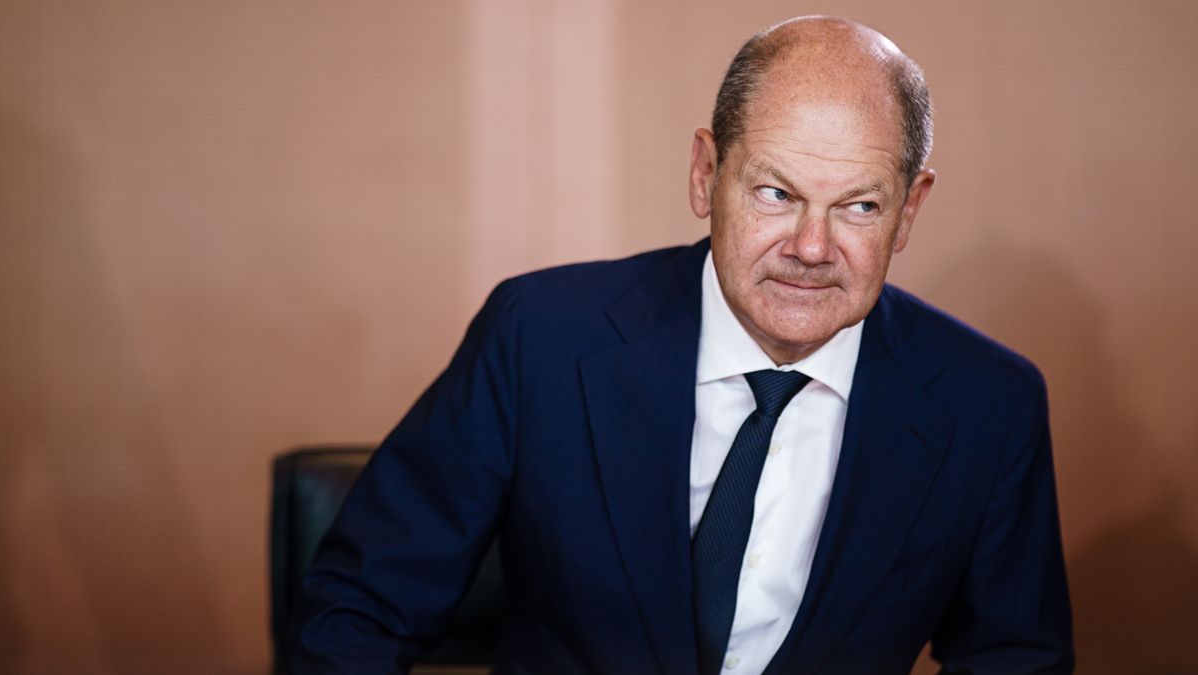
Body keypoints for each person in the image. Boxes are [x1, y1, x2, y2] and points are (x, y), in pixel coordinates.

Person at [292, 16, 1074, 674]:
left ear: (908, 212)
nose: (811, 246)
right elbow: (357, 609)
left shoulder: (989, 407)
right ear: (705, 174)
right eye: (776, 193)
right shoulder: (540, 337)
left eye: (860, 206)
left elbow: (1015, 660)